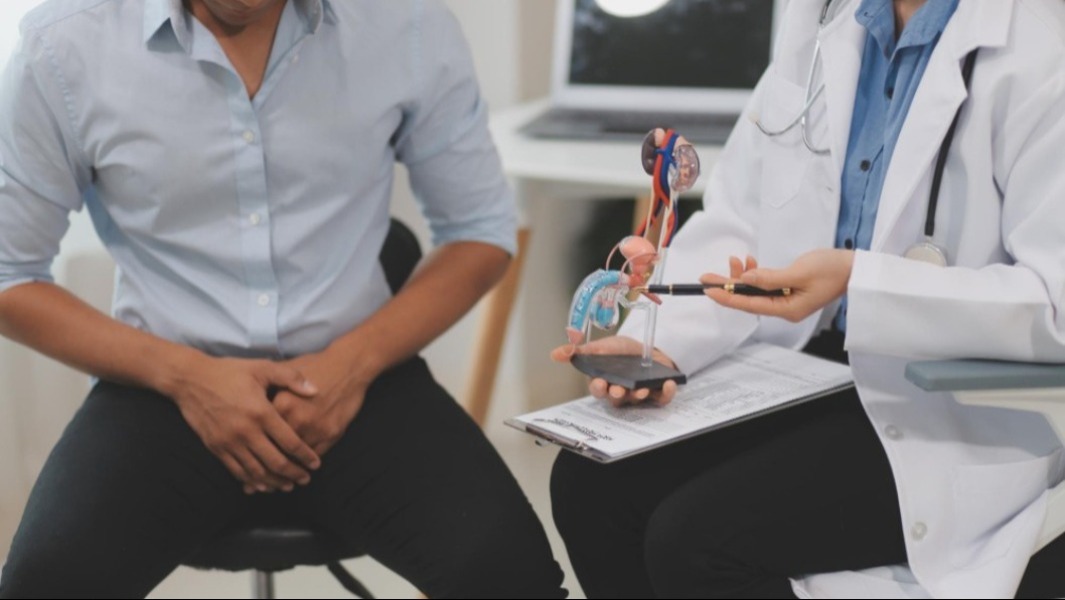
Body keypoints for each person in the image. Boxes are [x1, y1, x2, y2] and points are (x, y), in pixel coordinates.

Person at [0, 1, 565, 598]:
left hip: (359, 378)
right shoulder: (64, 45)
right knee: (43, 587)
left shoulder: (407, 24)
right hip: (162, 389)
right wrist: (188, 379)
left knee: (511, 577)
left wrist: (351, 367)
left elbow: (479, 232)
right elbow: (9, 274)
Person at [549, 0, 1065, 597]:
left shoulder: (1039, 50)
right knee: (589, 484)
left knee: (695, 541)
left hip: (952, 398)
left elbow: (1054, 304)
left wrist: (862, 280)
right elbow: (744, 215)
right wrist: (661, 346)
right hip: (814, 363)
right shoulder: (824, 17)